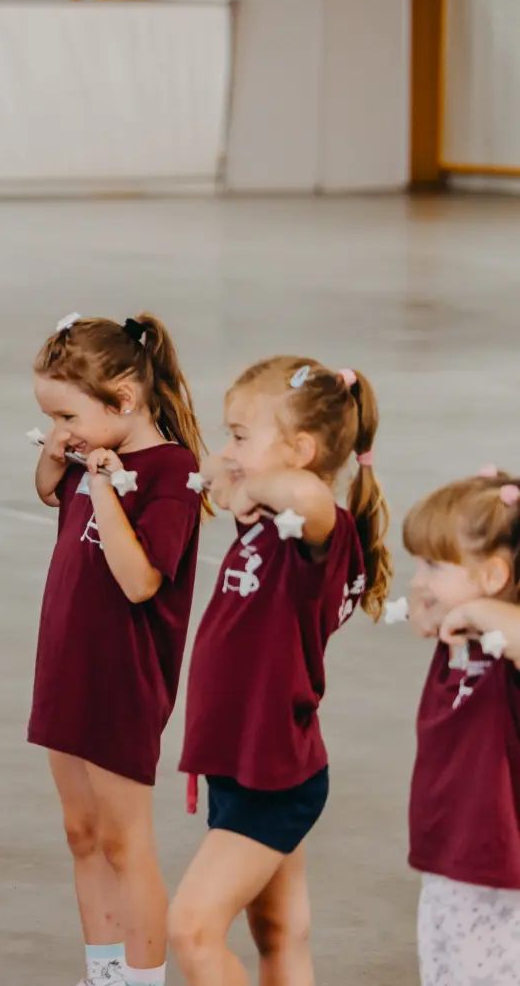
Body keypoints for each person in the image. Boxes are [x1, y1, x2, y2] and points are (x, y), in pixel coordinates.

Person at [170, 358, 391, 986]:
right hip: (245, 764)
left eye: (243, 435)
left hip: (273, 777)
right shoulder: (270, 524)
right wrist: (232, 470)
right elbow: (233, 476)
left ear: (301, 449)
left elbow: (309, 493)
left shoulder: (320, 533)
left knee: (192, 928)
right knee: (279, 937)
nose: (230, 449)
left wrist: (247, 484)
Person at [29, 314, 206, 986]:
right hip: (67, 668)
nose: (59, 432)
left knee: (125, 842)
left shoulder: (170, 472)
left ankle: (142, 975)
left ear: (123, 402)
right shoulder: (88, 458)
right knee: (82, 834)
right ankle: (103, 969)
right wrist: (61, 456)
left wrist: (103, 484)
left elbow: (139, 582)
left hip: (122, 680)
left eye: (66, 416)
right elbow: (49, 490)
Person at [395, 470, 520, 986]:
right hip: (448, 854)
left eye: (433, 564)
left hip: (499, 868)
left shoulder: (504, 640)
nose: (418, 579)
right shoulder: (468, 635)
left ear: (491, 577)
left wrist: (476, 608)